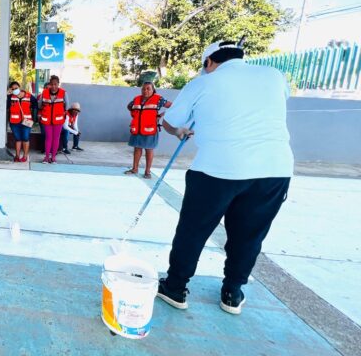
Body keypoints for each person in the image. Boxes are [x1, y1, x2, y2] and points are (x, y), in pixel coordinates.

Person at [155, 40, 293, 316]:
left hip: (217, 169)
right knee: (249, 234)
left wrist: (180, 131)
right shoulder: (274, 76)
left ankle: (175, 287)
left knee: (193, 230)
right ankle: (232, 293)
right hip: (274, 169)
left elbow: (170, 121)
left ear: (209, 62)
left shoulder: (203, 82)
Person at [125, 82, 173, 179]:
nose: (145, 91)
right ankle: (135, 169)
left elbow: (173, 106)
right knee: (137, 149)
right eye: (143, 89)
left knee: (149, 150)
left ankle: (147, 172)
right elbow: (129, 106)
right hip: (137, 129)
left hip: (150, 129)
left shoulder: (159, 99)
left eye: (148, 88)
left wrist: (160, 115)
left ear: (153, 90)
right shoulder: (136, 99)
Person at [38, 75, 67, 164]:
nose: (54, 86)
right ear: (49, 84)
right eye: (52, 84)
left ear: (58, 84)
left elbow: (67, 106)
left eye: (55, 84)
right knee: (48, 138)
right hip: (47, 120)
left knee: (56, 138)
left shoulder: (64, 93)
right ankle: (47, 157)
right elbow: (39, 105)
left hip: (58, 120)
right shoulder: (44, 92)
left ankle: (53, 157)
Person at [7, 81, 37, 162]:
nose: (15, 90)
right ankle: (17, 156)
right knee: (18, 139)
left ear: (19, 87)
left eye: (16, 88)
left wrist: (34, 118)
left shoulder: (29, 96)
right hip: (14, 122)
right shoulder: (10, 97)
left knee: (25, 138)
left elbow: (35, 105)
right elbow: (5, 105)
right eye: (13, 89)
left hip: (27, 121)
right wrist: (7, 94)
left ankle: (25, 156)